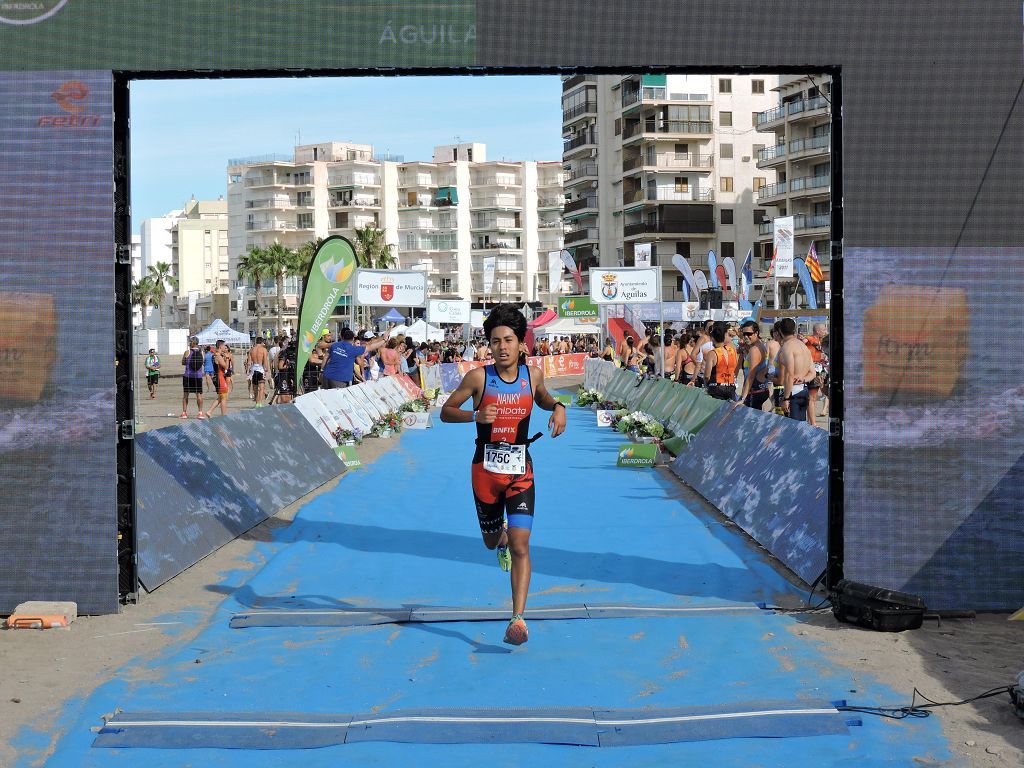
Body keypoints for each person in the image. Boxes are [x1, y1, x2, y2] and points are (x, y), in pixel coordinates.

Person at [440, 303, 567, 646]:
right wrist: (474, 417)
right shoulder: (479, 377)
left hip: (520, 470)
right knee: (492, 540)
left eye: (508, 340)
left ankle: (518, 619)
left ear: (521, 343)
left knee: (522, 544)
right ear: (489, 345)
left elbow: (543, 399)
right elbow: (446, 411)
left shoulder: (532, 375)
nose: (502, 347)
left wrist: (559, 408)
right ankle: (500, 539)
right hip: (485, 472)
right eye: (495, 341)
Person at [318, 327, 388, 389]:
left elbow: (325, 357)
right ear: (353, 338)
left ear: (343, 337)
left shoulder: (334, 345)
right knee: (338, 401)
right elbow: (372, 347)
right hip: (340, 379)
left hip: (327, 376)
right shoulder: (354, 349)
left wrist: (322, 370)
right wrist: (384, 340)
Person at [778, 317, 817, 422]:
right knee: (801, 428)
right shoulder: (803, 346)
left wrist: (786, 398)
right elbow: (813, 373)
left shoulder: (787, 347)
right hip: (803, 390)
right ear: (794, 330)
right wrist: (803, 379)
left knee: (791, 430)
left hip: (792, 392)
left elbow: (789, 374)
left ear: (780, 331)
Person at [737, 321, 771, 410]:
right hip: (761, 389)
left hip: (755, 391)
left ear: (756, 333)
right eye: (744, 334)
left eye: (749, 334)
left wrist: (743, 398)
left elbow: (751, 376)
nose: (745, 337)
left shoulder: (754, 350)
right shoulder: (760, 346)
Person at [702, 322, 739, 401]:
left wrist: (706, 386)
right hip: (731, 386)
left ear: (712, 338)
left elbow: (706, 376)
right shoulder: (732, 350)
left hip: (717, 387)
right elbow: (736, 367)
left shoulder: (712, 353)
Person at [180, 336, 207, 418]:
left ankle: (184, 413)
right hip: (198, 376)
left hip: (188, 376)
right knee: (199, 395)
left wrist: (188, 361)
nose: (189, 343)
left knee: (185, 395)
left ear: (193, 343)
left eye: (190, 342)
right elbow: (203, 363)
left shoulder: (187, 352)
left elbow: (183, 362)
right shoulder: (202, 352)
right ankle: (200, 413)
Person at [248, 337, 270, 406]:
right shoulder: (264, 350)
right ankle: (260, 403)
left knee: (255, 387)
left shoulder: (251, 350)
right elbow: (265, 361)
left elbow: (249, 362)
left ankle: (257, 402)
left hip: (253, 369)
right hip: (260, 369)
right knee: (261, 388)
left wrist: (248, 371)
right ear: (262, 342)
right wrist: (266, 369)